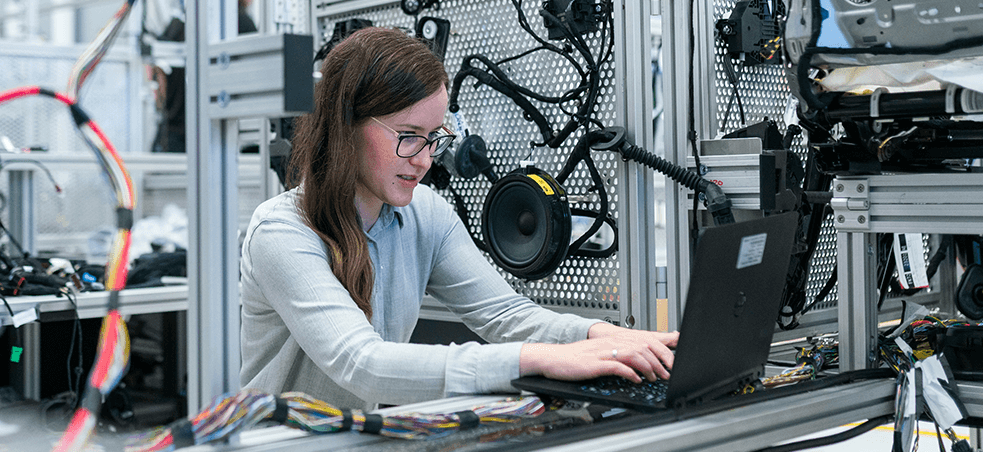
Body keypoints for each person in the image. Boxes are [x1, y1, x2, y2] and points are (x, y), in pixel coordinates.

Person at [238, 27, 678, 410]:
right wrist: (538, 359)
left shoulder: (425, 214)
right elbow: (363, 364)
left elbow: (506, 314)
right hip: (279, 451)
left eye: (434, 138)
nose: (424, 160)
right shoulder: (282, 232)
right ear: (346, 126)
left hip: (354, 444)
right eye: (408, 136)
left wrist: (605, 337)